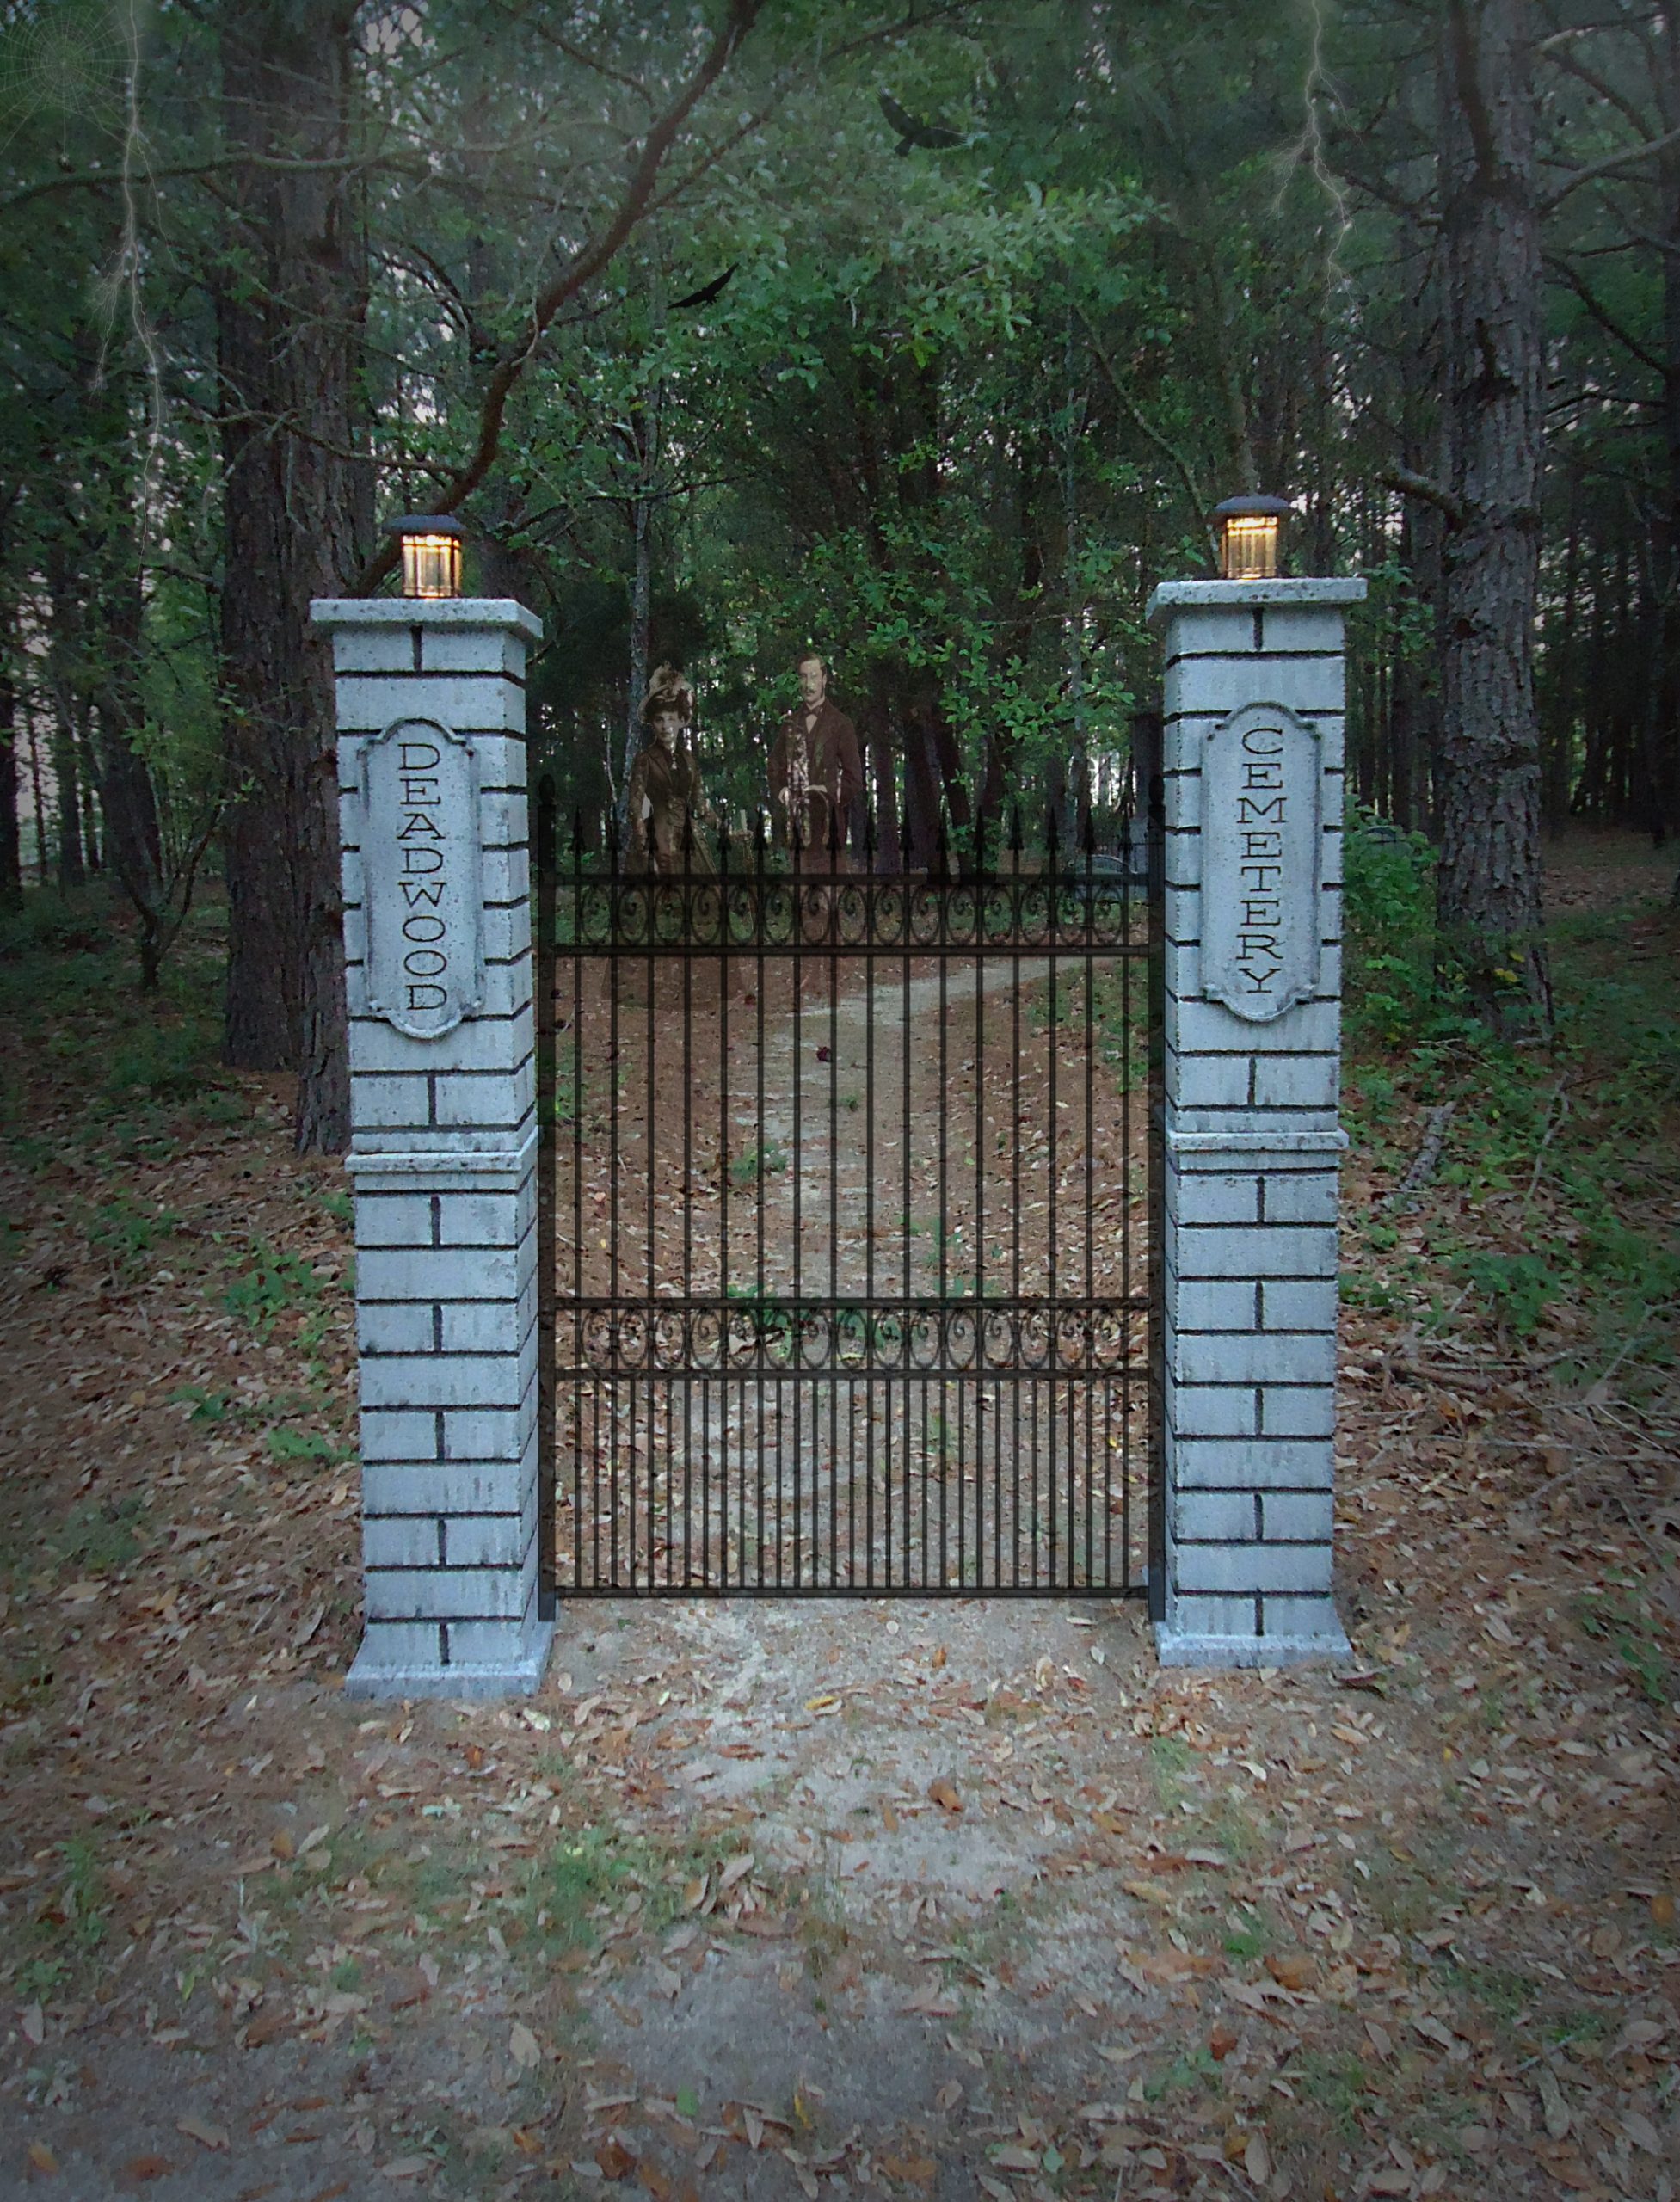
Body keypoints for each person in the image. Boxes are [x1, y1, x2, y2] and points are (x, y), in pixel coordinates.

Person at [766, 651, 863, 869]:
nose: (808, 684)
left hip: (830, 831)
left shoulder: (841, 724)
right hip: (797, 832)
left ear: (824, 679)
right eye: (803, 677)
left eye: (813, 676)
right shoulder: (789, 725)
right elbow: (774, 766)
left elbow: (854, 780)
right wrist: (783, 791)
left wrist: (824, 790)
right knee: (801, 899)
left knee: (828, 899)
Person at [625, 674, 713, 876]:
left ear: (681, 721)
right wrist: (644, 849)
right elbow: (636, 806)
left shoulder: (689, 760)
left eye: (671, 719)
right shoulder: (645, 760)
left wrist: (725, 829)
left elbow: (700, 804)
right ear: (653, 724)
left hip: (689, 839)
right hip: (656, 835)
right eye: (659, 720)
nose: (666, 727)